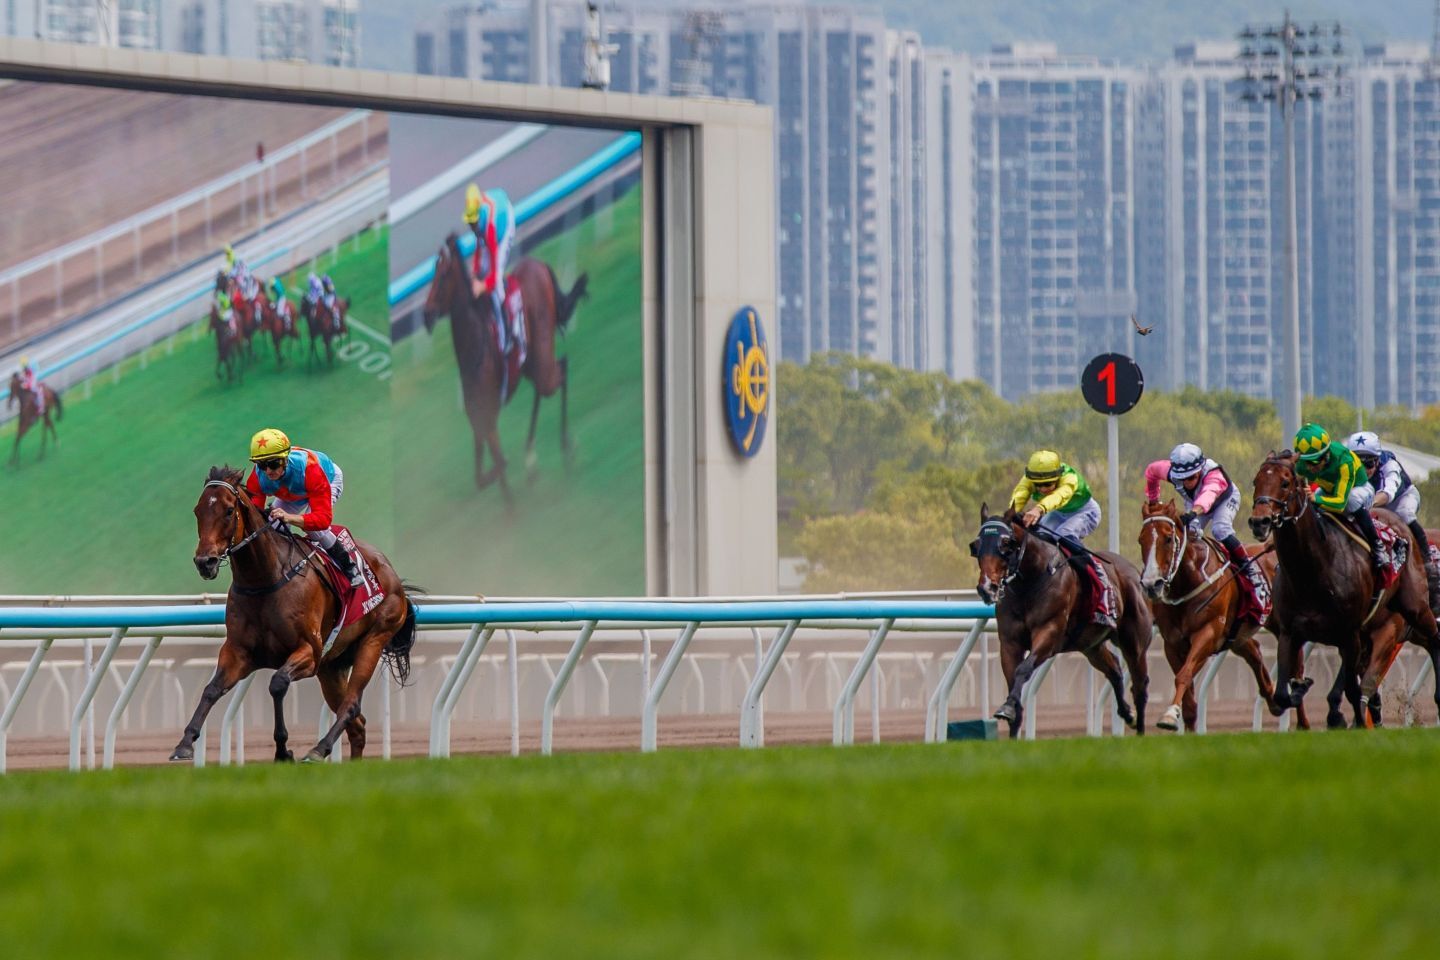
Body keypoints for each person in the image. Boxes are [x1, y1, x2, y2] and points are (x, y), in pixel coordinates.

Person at [1144, 442, 1267, 621]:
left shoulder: (1214, 476)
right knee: (1190, 534)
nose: (1187, 482)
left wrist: (1193, 512)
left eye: (1192, 478)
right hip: (1196, 504)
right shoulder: (1169, 471)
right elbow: (1151, 471)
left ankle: (1250, 569)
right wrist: (1154, 501)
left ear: (1200, 470)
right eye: (1182, 478)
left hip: (1223, 500)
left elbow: (1207, 497)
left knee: (1220, 530)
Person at [243, 428, 362, 586]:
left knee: (315, 530)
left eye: (273, 464)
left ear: (285, 459)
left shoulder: (310, 470)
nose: (267, 471)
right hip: (292, 491)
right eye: (261, 465)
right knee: (273, 526)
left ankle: (349, 567)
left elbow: (323, 520)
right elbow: (254, 517)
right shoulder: (258, 477)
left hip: (326, 480)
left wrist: (290, 518)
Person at [1009, 450, 1114, 627]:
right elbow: (1019, 494)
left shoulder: (1069, 478)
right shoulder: (1028, 479)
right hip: (1058, 512)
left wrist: (1038, 509)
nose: (1042, 489)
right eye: (1038, 485)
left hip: (1085, 511)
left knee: (1064, 535)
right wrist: (1010, 515)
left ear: (1057, 476)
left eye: (1048, 484)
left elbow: (1058, 497)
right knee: (1039, 538)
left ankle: (1101, 579)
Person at [1347, 430, 1440, 601]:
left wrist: (1366, 504)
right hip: (1372, 503)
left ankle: (1428, 562)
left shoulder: (1390, 465)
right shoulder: (1344, 467)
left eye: (1369, 464)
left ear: (1378, 458)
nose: (1364, 470)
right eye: (1358, 464)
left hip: (1400, 499)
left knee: (1403, 515)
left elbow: (1387, 494)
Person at [1294, 423, 1385, 572]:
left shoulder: (1344, 461)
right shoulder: (1302, 464)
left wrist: (1316, 500)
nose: (1309, 467)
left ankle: (1377, 545)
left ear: (1326, 455)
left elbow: (1340, 504)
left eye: (1314, 462)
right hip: (1329, 491)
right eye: (1305, 462)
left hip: (1359, 490)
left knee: (1351, 500)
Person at [463, 183, 523, 360]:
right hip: (495, 214)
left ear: (478, 216)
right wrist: (475, 275)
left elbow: (494, 275)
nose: (471, 227)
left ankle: (508, 337)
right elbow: (478, 249)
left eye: (473, 223)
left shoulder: (489, 228)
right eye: (470, 223)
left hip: (504, 228)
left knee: (495, 287)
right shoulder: (478, 222)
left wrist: (482, 287)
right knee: (481, 270)